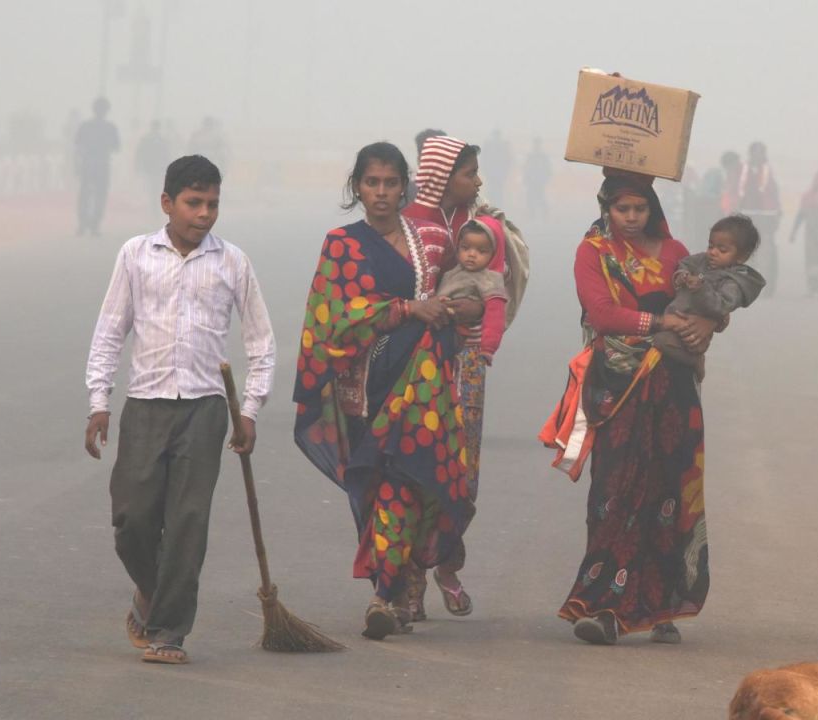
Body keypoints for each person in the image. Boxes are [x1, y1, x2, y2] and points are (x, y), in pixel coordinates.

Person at [84, 155, 277, 665]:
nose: (204, 214)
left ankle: (168, 630)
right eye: (193, 203)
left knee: (188, 522)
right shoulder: (135, 254)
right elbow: (110, 329)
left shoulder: (232, 261)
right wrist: (98, 401)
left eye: (213, 203)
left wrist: (250, 408)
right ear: (167, 203)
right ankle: (152, 592)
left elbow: (260, 340)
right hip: (146, 403)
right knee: (132, 519)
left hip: (207, 408)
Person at [293, 142, 480, 640]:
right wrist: (404, 310)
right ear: (357, 187)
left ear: (405, 187)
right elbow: (332, 319)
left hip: (423, 387)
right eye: (372, 183)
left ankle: (385, 594)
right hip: (366, 389)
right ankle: (396, 589)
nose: (381, 192)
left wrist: (460, 309)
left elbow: (466, 290)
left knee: (408, 480)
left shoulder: (429, 241)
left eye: (391, 183)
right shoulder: (341, 243)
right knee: (375, 489)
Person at [541, 167, 718, 646]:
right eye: (623, 209)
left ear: (653, 209)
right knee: (614, 491)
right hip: (619, 388)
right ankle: (602, 607)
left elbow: (707, 305)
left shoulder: (678, 253)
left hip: (676, 389)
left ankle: (662, 606)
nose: (632, 217)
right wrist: (661, 320)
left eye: (640, 208)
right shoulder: (593, 252)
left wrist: (705, 326)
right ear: (607, 209)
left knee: (671, 489)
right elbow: (601, 314)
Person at [401, 134, 530, 620]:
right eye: (469, 172)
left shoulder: (483, 223)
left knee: (461, 477)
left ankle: (446, 563)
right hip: (416, 367)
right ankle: (408, 585)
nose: (477, 181)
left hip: (468, 367)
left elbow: (500, 287)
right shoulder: (410, 227)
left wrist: (478, 312)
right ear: (439, 177)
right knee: (413, 475)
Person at [652, 214, 765, 378]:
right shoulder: (702, 260)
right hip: (674, 317)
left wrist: (700, 288)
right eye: (710, 246)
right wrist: (682, 274)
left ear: (742, 257)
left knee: (659, 341)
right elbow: (684, 263)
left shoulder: (733, 282)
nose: (713, 252)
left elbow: (720, 307)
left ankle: (695, 360)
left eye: (722, 250)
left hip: (693, 334)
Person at [738, 142, 781, 294]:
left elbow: (773, 195)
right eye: (755, 152)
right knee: (747, 250)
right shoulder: (744, 170)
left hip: (765, 217)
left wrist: (776, 216)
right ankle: (748, 285)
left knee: (765, 251)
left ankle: (765, 286)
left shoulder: (768, 171)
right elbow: (738, 192)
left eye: (760, 152)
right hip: (747, 214)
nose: (757, 156)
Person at [75, 97, 120, 237]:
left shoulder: (85, 126)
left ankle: (82, 224)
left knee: (84, 194)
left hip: (87, 164)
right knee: (100, 195)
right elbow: (116, 146)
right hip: (102, 164)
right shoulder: (110, 127)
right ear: (106, 111)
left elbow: (77, 144)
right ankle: (95, 225)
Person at [134, 121, 172, 190]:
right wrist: (138, 164)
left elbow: (166, 153)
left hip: (156, 165)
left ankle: (153, 196)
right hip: (151, 165)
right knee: (152, 184)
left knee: (154, 184)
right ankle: (152, 197)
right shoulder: (149, 139)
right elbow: (140, 152)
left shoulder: (160, 139)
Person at [522, 137, 552, 222]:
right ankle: (533, 213)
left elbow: (548, 169)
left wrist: (545, 178)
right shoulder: (531, 156)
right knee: (531, 197)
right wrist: (526, 178)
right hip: (531, 180)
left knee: (539, 197)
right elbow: (526, 168)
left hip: (539, 180)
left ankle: (543, 211)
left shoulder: (543, 156)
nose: (536, 146)